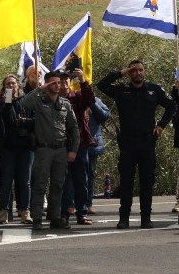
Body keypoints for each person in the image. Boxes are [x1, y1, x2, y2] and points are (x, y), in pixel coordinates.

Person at [97, 60, 176, 229]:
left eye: (140, 70)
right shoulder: (121, 90)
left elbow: (171, 106)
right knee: (126, 182)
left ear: (144, 72)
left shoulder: (154, 90)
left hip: (147, 142)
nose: (138, 73)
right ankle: (123, 217)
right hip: (127, 143)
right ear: (130, 72)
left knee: (147, 182)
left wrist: (161, 125)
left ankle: (145, 218)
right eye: (134, 70)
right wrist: (121, 73)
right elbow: (101, 85)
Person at [21, 70, 79, 230]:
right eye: (53, 83)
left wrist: (73, 149)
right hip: (43, 149)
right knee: (40, 184)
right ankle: (37, 218)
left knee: (57, 185)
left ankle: (54, 217)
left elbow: (74, 128)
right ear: (47, 84)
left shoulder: (65, 104)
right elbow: (25, 103)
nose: (57, 85)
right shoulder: (39, 101)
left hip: (61, 150)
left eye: (58, 83)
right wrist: (42, 88)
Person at [59, 65, 96, 225]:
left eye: (66, 80)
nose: (63, 84)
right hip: (60, 145)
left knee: (81, 179)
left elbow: (90, 100)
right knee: (63, 181)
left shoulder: (77, 97)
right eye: (59, 81)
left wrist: (83, 80)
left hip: (79, 144)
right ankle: (65, 213)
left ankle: (82, 212)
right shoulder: (52, 99)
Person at [0, 75, 34, 224]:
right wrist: (7, 102)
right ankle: (4, 212)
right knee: (6, 182)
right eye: (8, 84)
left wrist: (24, 122)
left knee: (25, 182)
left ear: (18, 86)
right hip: (8, 149)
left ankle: (25, 211)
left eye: (13, 83)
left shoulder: (27, 102)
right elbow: (3, 120)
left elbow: (36, 121)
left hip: (26, 148)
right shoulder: (0, 104)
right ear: (4, 87)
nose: (11, 86)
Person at [85, 95, 110, 215]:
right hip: (75, 143)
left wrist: (92, 104)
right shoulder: (71, 97)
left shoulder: (96, 100)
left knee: (90, 175)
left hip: (92, 143)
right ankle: (72, 203)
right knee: (72, 176)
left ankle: (88, 203)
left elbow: (104, 116)